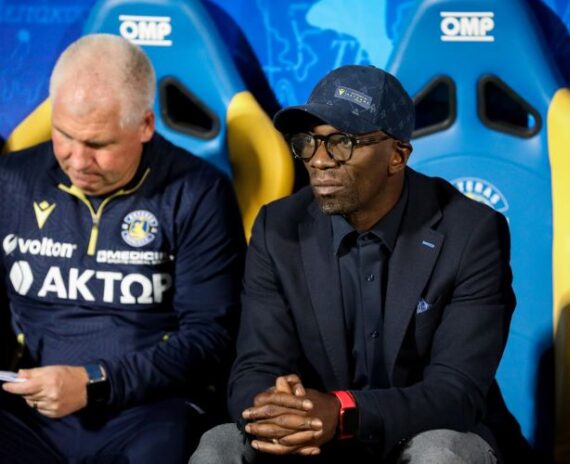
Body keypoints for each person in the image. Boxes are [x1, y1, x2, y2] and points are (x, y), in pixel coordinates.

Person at [191, 64, 522, 464]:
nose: (319, 160)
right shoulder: (277, 227)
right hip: (313, 441)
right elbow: (255, 367)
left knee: (441, 453)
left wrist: (344, 412)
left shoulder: (470, 232)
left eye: (341, 142)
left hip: (422, 431)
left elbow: (455, 392)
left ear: (397, 155)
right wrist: (277, 412)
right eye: (309, 142)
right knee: (220, 445)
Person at [0, 34, 246, 463]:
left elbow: (211, 339)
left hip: (149, 410)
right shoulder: (12, 181)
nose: (78, 160)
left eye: (98, 145)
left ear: (145, 125)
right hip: (28, 408)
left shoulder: (197, 192)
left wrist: (96, 381)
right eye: (64, 135)